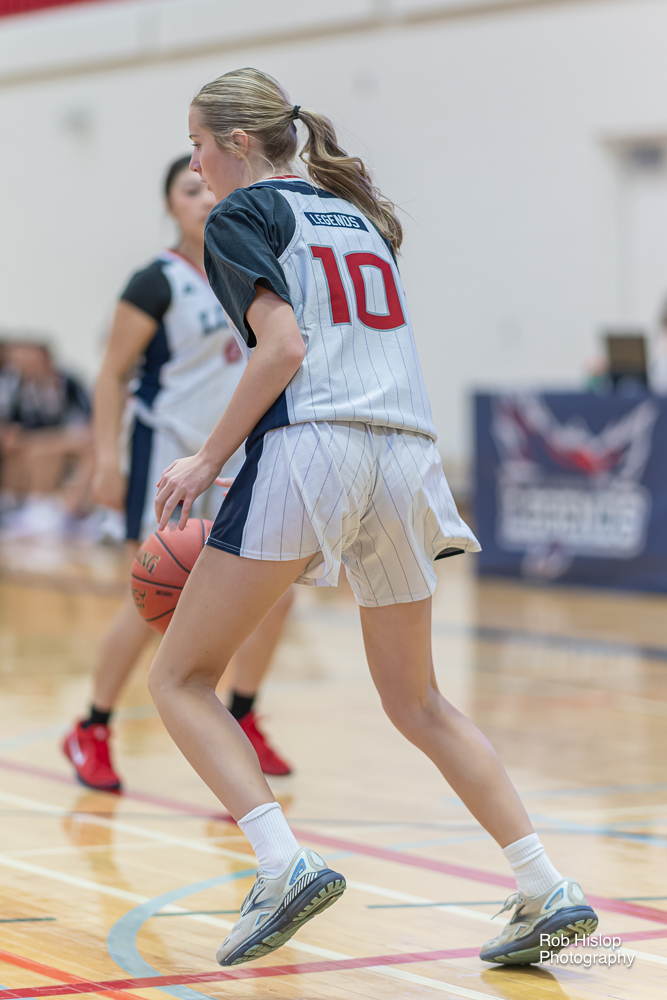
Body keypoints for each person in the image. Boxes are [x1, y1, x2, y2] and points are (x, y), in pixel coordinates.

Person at [147, 67, 599, 969]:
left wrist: (206, 457)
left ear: (237, 142)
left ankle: (281, 865)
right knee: (418, 700)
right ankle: (544, 884)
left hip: (317, 446)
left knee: (180, 680)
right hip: (406, 452)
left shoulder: (239, 215)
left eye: (197, 145)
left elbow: (282, 348)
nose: (194, 166)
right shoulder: (353, 215)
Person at [62, 154, 294, 793]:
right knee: (155, 597)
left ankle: (243, 717)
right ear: (170, 206)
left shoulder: (252, 270)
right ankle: (93, 726)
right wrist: (107, 460)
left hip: (237, 455)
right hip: (167, 455)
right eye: (188, 191)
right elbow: (111, 375)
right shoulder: (155, 281)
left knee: (277, 596)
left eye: (206, 187)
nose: (202, 199)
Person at [0, 340, 93, 534]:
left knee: (57, 448)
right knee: (34, 448)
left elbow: (85, 417)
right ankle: (30, 506)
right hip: (27, 439)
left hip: (58, 437)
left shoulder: (67, 383)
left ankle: (60, 507)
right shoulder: (13, 384)